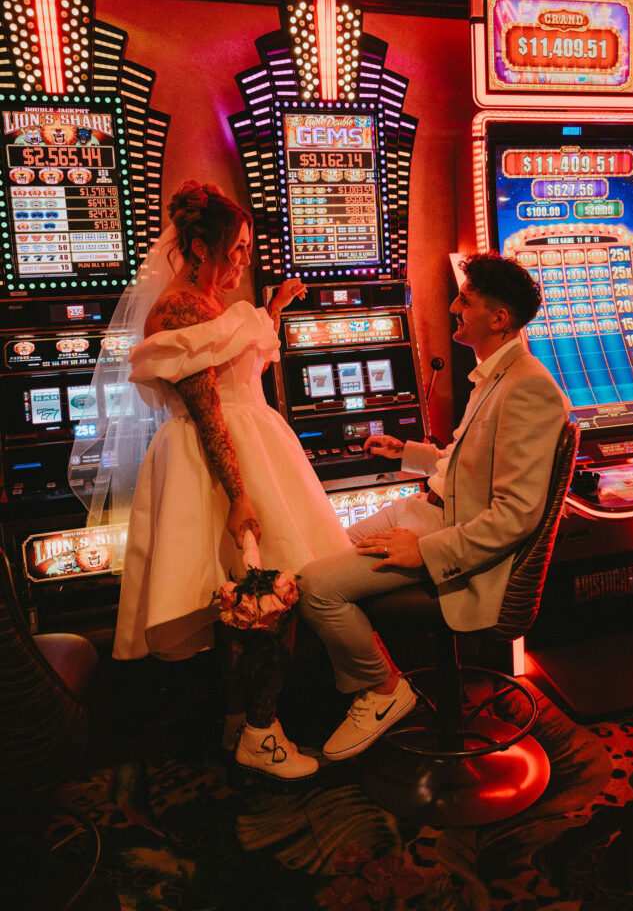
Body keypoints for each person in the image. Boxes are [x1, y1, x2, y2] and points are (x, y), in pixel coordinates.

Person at [72, 180, 351, 781]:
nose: (243, 259)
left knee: (251, 602)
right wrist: (240, 495)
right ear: (199, 248)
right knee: (265, 601)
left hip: (241, 450)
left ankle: (241, 723)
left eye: (248, 248)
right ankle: (261, 732)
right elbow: (208, 410)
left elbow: (234, 369)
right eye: (236, 248)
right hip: (216, 461)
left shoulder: (210, 307)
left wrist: (271, 312)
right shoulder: (178, 308)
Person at [299, 251, 570, 762]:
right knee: (315, 542)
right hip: (424, 510)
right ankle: (375, 682)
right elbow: (467, 463)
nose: (451, 307)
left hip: (447, 540)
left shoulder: (528, 387)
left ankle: (383, 691)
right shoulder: (494, 374)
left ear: (499, 318)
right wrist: (407, 453)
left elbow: (516, 513)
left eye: (464, 301)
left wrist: (425, 551)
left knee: (317, 588)